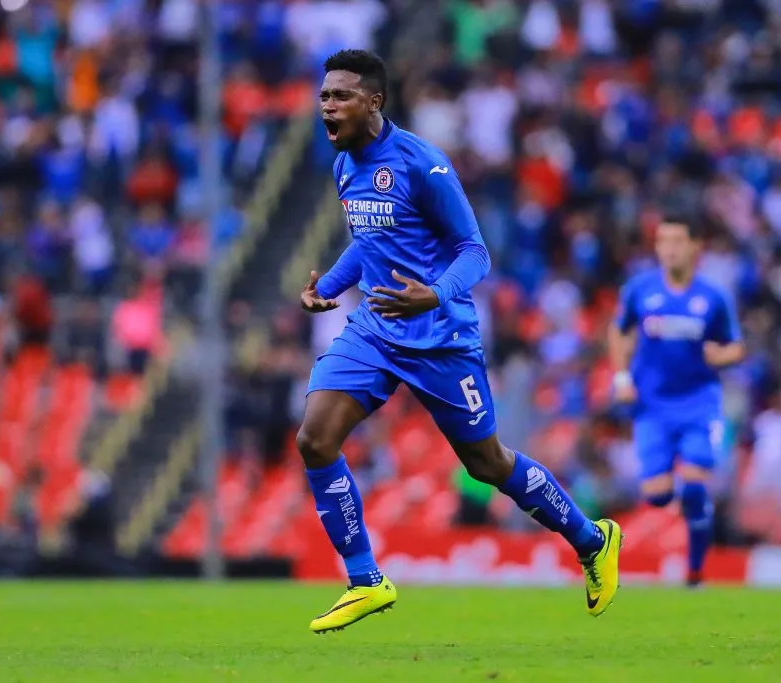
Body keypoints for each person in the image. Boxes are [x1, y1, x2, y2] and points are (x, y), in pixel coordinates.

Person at [299, 50, 622, 634]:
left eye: (340, 96)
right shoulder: (344, 162)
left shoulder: (423, 164)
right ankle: (366, 580)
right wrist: (330, 284)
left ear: (373, 102)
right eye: (324, 96)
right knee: (314, 439)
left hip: (440, 338)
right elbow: (369, 241)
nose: (327, 106)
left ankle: (592, 539)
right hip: (374, 330)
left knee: (487, 463)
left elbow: (475, 252)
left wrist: (435, 294)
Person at [608, 215, 743, 587]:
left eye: (677, 240)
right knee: (656, 495)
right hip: (651, 408)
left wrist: (724, 356)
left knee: (696, 486)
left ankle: (695, 569)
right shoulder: (640, 290)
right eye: (662, 240)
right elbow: (618, 333)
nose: (669, 248)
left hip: (699, 404)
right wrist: (621, 378)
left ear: (695, 246)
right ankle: (688, 511)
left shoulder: (713, 297)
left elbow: (736, 346)